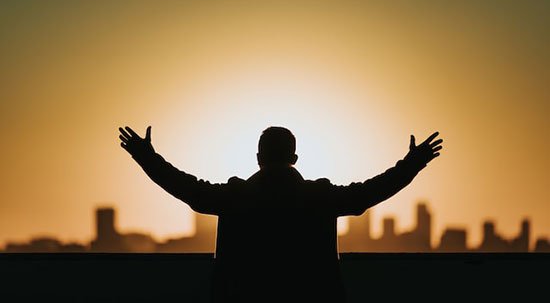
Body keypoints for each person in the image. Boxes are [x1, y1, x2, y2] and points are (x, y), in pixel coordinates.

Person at [119, 125, 443, 303]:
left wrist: (146, 157)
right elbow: (371, 192)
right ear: (295, 157)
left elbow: (185, 187)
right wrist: (413, 163)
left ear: (258, 157)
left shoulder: (235, 196)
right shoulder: (319, 196)